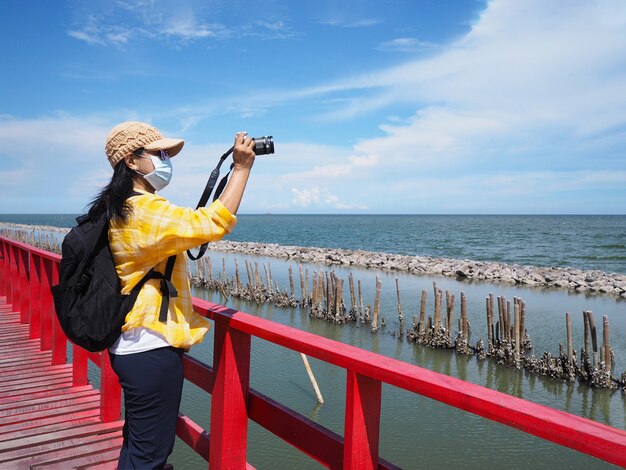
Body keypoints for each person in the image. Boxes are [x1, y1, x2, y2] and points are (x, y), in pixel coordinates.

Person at [91, 121, 255, 469]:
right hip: (150, 346)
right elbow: (211, 223)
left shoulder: (120, 206)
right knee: (150, 455)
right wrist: (241, 169)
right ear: (132, 161)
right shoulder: (142, 210)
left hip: (132, 344)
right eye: (159, 153)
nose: (166, 159)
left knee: (139, 446)